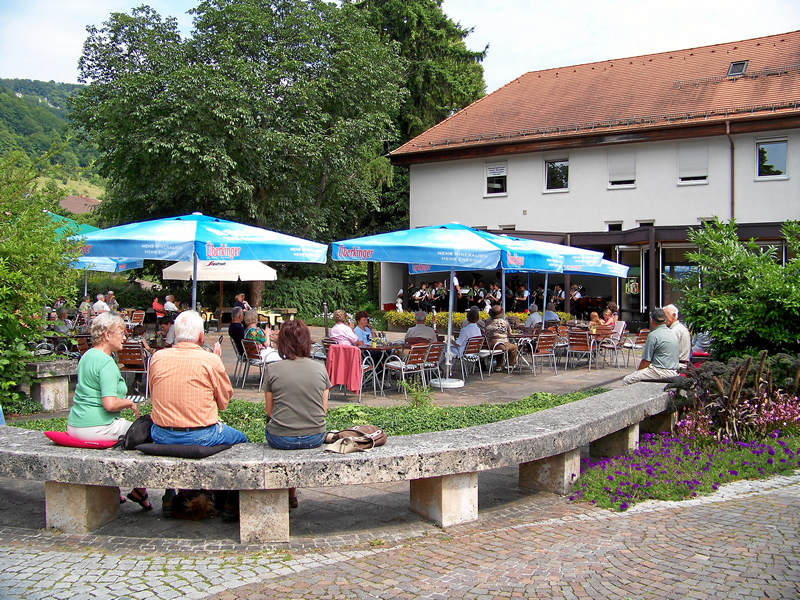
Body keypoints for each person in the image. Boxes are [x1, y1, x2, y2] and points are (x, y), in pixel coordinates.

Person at [148, 310, 248, 519]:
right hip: (201, 435)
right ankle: (231, 502)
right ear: (201, 337)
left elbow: (153, 393)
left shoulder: (157, 358)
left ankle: (169, 495)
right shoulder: (209, 360)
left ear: (176, 335)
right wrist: (216, 362)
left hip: (161, 434)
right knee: (242, 440)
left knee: (171, 439)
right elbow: (224, 403)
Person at [66, 312, 152, 511]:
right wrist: (128, 403)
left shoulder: (87, 355)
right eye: (121, 333)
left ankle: (114, 489)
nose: (124, 337)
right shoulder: (106, 363)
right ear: (107, 335)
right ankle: (140, 489)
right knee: (148, 434)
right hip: (97, 426)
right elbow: (110, 404)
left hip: (75, 424)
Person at [263, 319, 332, 509]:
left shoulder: (272, 369)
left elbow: (269, 411)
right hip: (315, 436)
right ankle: (292, 494)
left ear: (282, 343)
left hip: (281, 438)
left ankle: (288, 493)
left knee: (277, 429)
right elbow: (323, 410)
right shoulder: (320, 368)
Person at [622, 308, 679, 386]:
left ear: (652, 321)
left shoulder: (653, 335)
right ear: (665, 320)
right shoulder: (672, 333)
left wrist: (637, 373)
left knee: (627, 380)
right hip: (674, 371)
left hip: (660, 372)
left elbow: (646, 361)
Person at [485, 304, 517, 370]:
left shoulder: (488, 321)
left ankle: (498, 366)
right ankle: (511, 365)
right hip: (501, 344)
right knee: (514, 347)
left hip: (489, 344)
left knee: (501, 348)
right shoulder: (504, 322)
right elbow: (509, 333)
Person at [127, 323, 153, 395]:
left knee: (140, 362)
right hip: (138, 363)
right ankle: (138, 382)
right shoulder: (141, 338)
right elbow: (147, 348)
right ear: (142, 333)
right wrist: (153, 352)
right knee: (145, 362)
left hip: (127, 363)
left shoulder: (129, 339)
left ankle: (136, 383)